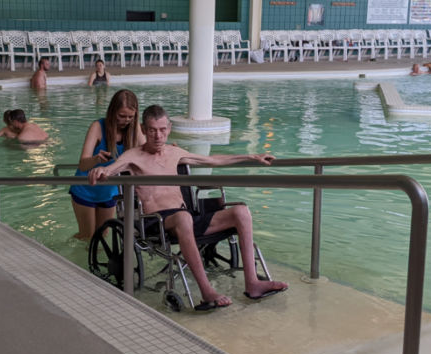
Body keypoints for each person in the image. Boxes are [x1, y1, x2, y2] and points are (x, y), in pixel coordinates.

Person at [88, 105, 288, 310]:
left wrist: (251, 157)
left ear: (169, 128)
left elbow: (212, 160)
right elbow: (111, 169)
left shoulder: (175, 153)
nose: (158, 135)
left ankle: (253, 283)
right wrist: (101, 170)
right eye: (152, 130)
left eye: (163, 129)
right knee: (184, 217)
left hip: (186, 218)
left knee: (241, 211)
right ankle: (207, 292)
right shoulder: (133, 156)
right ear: (143, 129)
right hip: (157, 222)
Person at [70, 89, 146, 240]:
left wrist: (168, 150)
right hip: (86, 188)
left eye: (130, 116)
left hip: (109, 191)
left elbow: (147, 151)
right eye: (121, 116)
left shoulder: (134, 127)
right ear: (112, 112)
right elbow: (83, 164)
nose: (126, 120)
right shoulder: (97, 127)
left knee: (102, 237)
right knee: (88, 237)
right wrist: (97, 159)